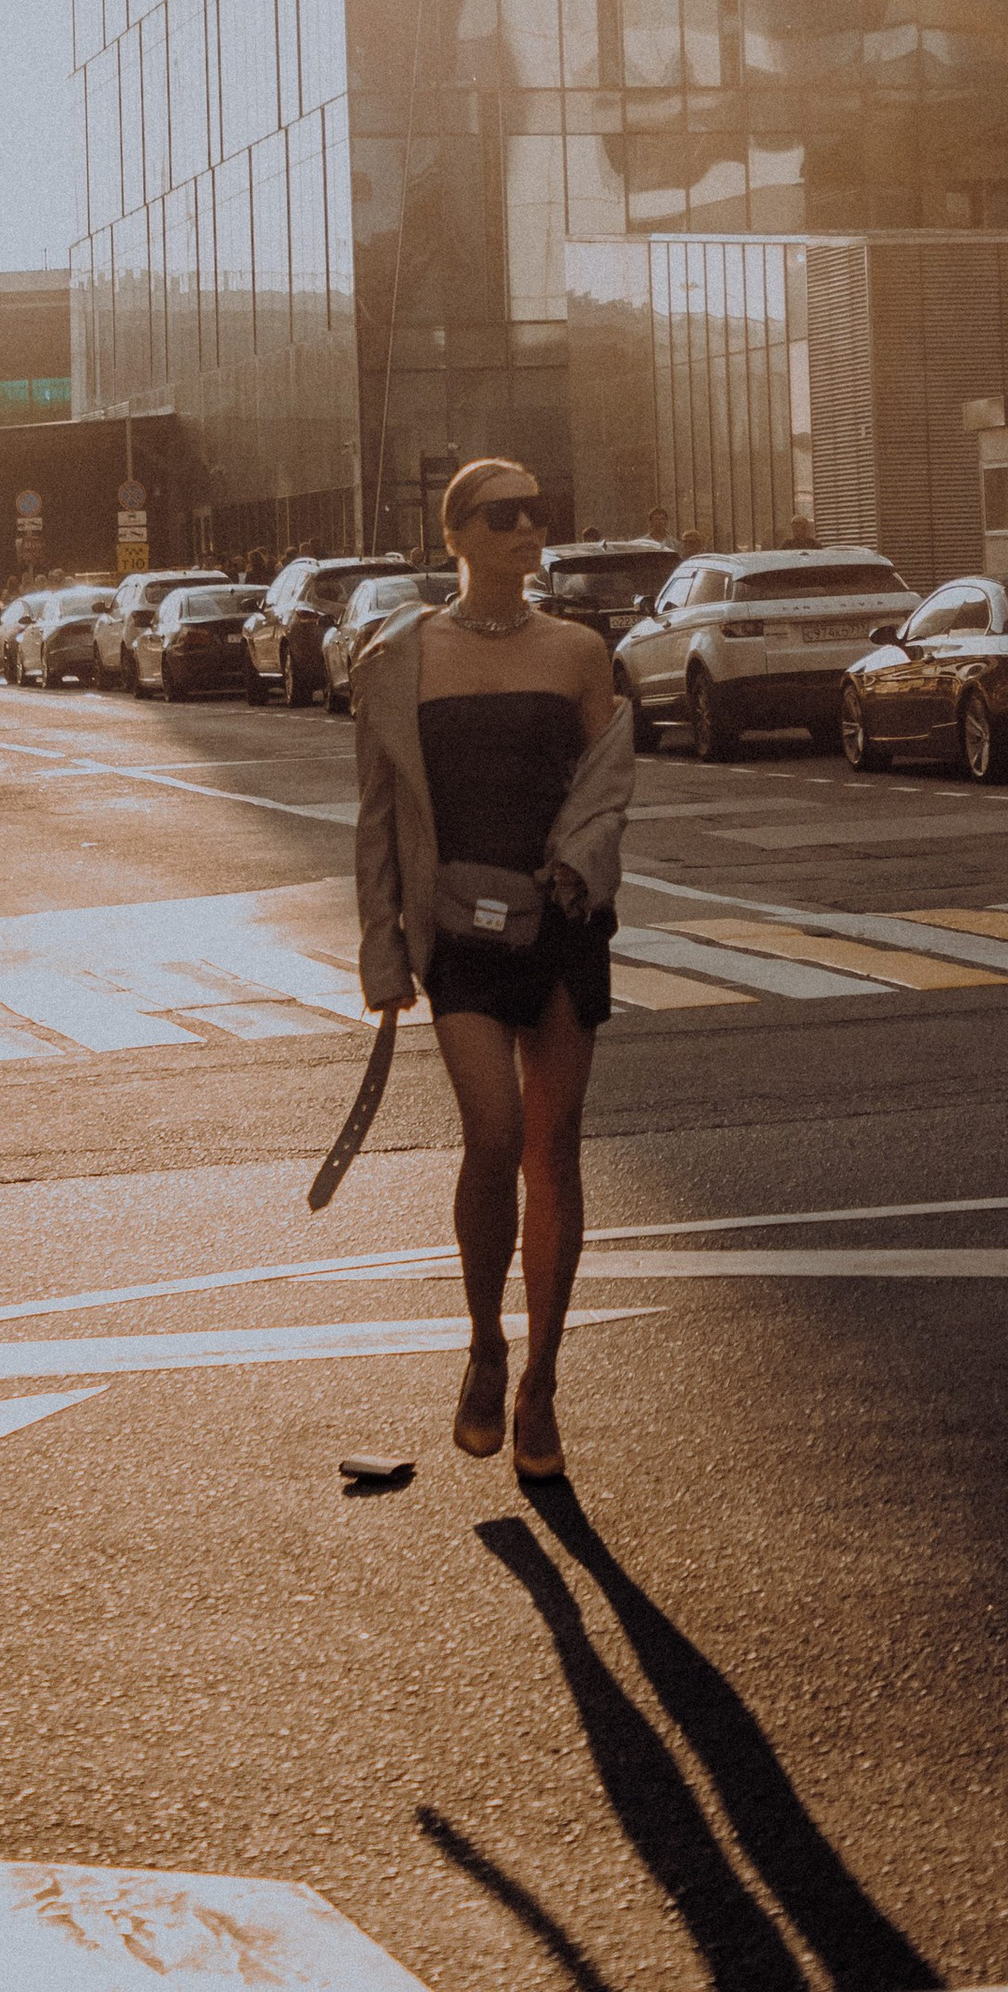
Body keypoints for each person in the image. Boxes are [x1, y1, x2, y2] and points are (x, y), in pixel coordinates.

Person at [352, 453, 631, 1483]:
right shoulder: (398, 655)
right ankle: (483, 1343)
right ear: (455, 535)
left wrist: (580, 868)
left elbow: (608, 789)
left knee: (553, 1148)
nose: (527, 528)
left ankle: (541, 1385)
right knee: (494, 1131)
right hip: (457, 934)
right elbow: (378, 818)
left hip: (558, 920)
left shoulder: (577, 651)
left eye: (536, 511)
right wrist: (382, 944)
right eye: (502, 515)